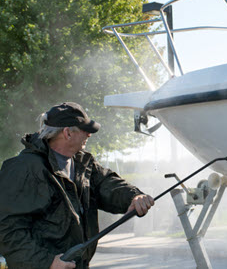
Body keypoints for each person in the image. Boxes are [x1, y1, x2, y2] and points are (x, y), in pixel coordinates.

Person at [0, 102, 155, 269]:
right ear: (67, 133)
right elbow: (7, 230)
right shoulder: (24, 169)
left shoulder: (83, 163)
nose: (89, 135)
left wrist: (133, 196)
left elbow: (107, 183)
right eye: (85, 130)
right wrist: (47, 263)